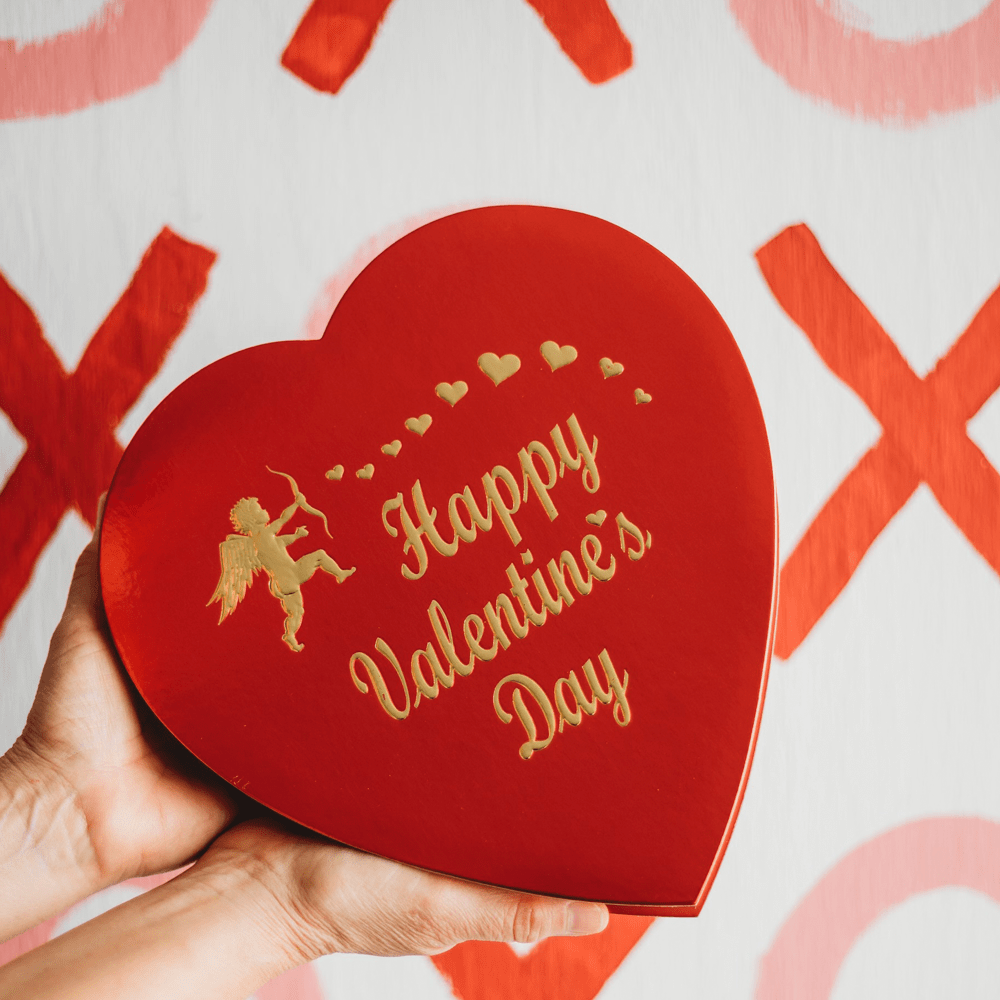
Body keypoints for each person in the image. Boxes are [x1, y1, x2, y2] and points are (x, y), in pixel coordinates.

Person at [0, 499, 608, 999]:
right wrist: (278, 901)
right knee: (295, 616)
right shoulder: (248, 548)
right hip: (284, 609)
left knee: (313, 597)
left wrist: (69, 809)